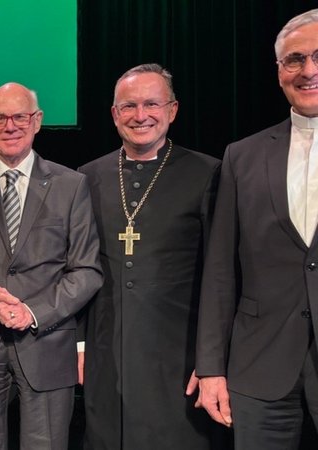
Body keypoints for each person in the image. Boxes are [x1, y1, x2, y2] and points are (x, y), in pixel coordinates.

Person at [78, 64, 223, 449]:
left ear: (172, 110)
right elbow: (74, 268)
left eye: (151, 104)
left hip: (178, 356)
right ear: (114, 114)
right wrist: (78, 345)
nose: (140, 116)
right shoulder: (86, 177)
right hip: (105, 350)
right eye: (128, 106)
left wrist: (212, 361)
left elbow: (220, 275)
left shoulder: (208, 173)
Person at [195, 9, 318, 449]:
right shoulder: (241, 157)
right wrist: (210, 367)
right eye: (296, 59)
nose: (309, 71)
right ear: (279, 69)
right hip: (260, 367)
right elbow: (220, 269)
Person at [0, 82, 102, 449]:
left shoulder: (71, 185)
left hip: (46, 341)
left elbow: (87, 270)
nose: (10, 126)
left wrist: (31, 312)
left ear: (37, 121)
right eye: (0, 118)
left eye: (19, 116)